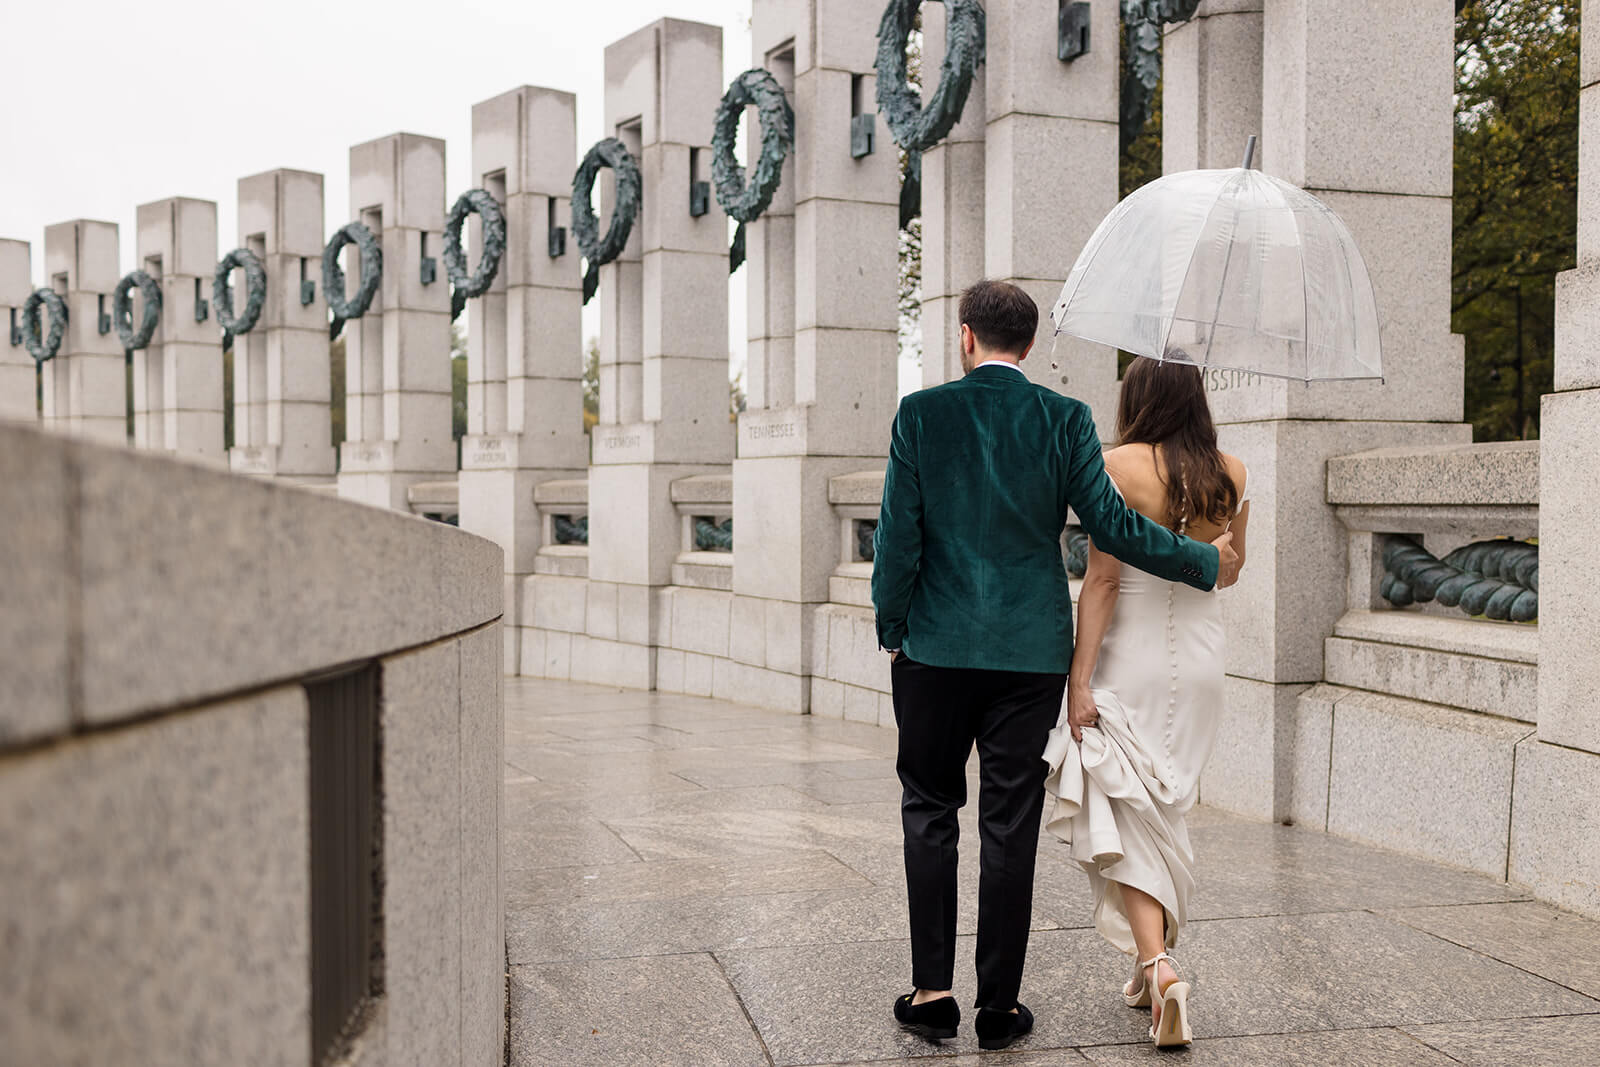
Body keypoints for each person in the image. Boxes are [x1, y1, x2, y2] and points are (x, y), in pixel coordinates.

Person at [871, 281, 1240, 1051]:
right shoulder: (1064, 418)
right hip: (1031, 656)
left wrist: (894, 626)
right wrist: (1202, 560)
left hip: (936, 649)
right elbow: (1112, 527)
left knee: (930, 809)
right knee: (1011, 824)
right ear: (1029, 347)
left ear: (966, 336)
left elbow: (898, 537)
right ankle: (999, 1008)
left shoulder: (921, 414)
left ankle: (934, 992)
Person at [1042, 354, 1250, 1049]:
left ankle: (1161, 965)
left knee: (1124, 808)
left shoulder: (1118, 466)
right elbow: (1227, 572)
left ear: (1139, 398)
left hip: (1128, 653)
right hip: (1200, 657)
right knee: (1164, 802)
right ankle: (1146, 965)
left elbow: (1101, 581)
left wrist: (1078, 677)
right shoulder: (1232, 471)